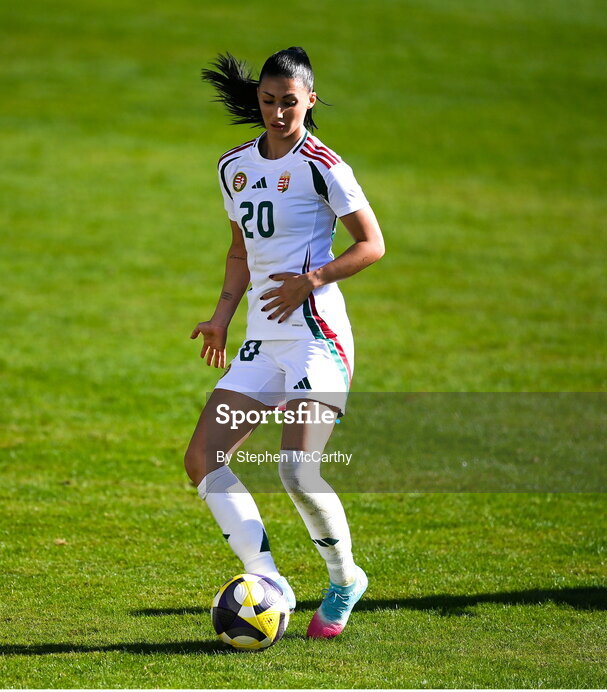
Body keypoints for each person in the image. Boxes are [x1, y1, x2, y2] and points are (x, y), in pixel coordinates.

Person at [185, 47, 385, 639]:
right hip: (262, 342)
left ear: (310, 101)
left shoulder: (324, 165)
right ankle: (267, 582)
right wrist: (221, 317)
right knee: (202, 459)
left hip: (317, 340)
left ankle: (346, 578)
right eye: (268, 101)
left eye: (289, 103)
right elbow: (240, 248)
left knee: (297, 470)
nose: (277, 113)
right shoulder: (233, 167)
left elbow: (372, 244)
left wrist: (313, 279)